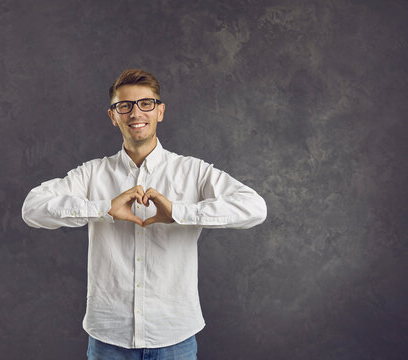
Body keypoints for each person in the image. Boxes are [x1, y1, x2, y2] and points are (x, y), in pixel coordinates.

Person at [21, 69, 267, 360]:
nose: (136, 113)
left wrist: (179, 212)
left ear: (160, 111)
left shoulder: (193, 171)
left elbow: (254, 207)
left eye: (146, 103)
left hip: (174, 337)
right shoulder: (92, 173)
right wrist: (102, 209)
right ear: (113, 116)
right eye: (124, 105)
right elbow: (32, 207)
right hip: (108, 340)